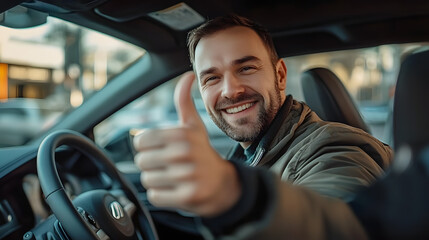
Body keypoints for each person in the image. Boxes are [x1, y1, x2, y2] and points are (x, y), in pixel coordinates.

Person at [133, 15, 393, 239]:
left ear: (279, 76)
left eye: (246, 68)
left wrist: (235, 193)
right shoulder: (249, 155)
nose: (230, 90)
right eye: (212, 78)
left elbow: (339, 225)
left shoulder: (336, 147)